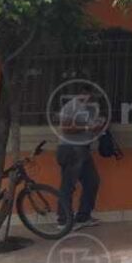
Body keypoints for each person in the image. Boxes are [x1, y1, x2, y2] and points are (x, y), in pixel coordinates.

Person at [56, 86, 105, 228]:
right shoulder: (71, 107)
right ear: (83, 93)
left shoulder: (89, 108)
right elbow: (65, 128)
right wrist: (88, 128)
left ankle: (83, 216)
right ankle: (63, 220)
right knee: (68, 185)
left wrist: (97, 129)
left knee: (92, 181)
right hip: (71, 149)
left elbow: (89, 128)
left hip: (83, 149)